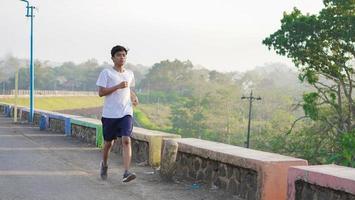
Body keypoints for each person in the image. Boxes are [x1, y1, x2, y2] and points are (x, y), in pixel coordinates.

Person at [96, 45, 139, 182]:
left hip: (126, 112)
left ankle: (126, 172)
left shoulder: (130, 73)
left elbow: (127, 89)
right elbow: (101, 93)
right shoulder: (106, 73)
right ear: (113, 58)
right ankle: (104, 164)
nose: (122, 57)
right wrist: (117, 86)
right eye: (119, 55)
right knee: (109, 143)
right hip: (110, 114)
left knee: (126, 140)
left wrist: (133, 96)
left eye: (124, 55)